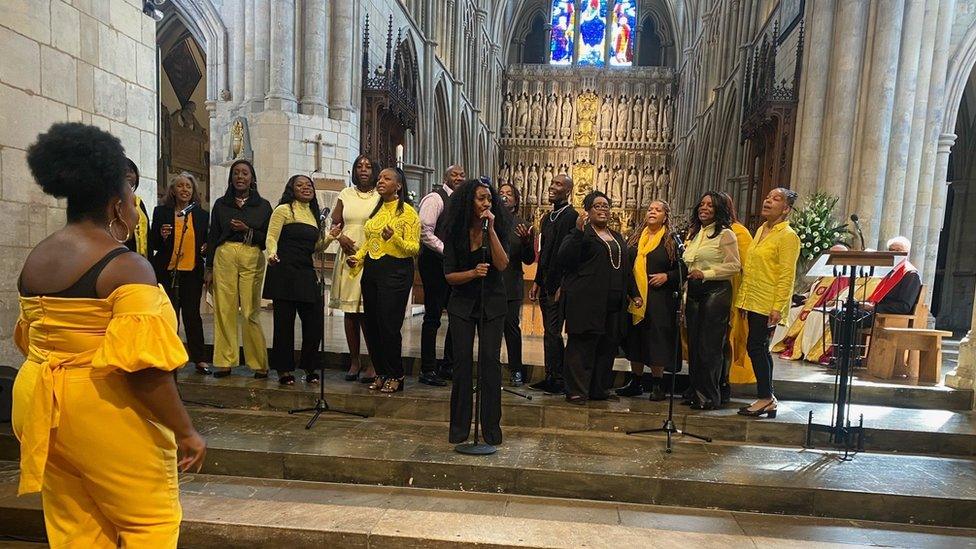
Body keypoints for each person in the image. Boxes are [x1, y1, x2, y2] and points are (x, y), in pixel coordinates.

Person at [12, 122, 206, 547]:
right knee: (148, 523)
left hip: (38, 401)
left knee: (76, 525)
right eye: (133, 199)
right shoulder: (125, 265)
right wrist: (186, 430)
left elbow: (30, 338)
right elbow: (144, 369)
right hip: (97, 404)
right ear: (118, 205)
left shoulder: (40, 254)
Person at [443, 180, 510, 445]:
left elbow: (502, 264)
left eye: (489, 200)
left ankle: (491, 429)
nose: (486, 204)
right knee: (461, 364)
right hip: (462, 303)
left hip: (491, 302)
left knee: (490, 363)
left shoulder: (497, 227)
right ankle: (459, 429)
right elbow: (449, 275)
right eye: (481, 199)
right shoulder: (455, 232)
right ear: (468, 202)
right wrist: (472, 273)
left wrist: (490, 230)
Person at [347, 167, 420, 394]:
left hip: (396, 271)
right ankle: (381, 371)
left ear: (398, 185)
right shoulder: (377, 211)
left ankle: (396, 374)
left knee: (389, 325)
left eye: (387, 179)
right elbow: (371, 242)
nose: (381, 181)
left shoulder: (408, 213)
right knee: (373, 324)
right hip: (373, 270)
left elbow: (414, 249)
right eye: (380, 178)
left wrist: (395, 237)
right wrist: (357, 257)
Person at [559, 191, 635, 405]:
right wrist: (578, 232)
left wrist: (633, 293)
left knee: (607, 346)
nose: (603, 210)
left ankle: (598, 388)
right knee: (581, 346)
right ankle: (576, 390)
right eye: (597, 206)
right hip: (586, 301)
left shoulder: (617, 237)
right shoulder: (580, 234)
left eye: (606, 206)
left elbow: (625, 269)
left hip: (612, 304)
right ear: (587, 211)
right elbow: (564, 258)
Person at [735, 188, 801, 418]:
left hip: (767, 301)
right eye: (768, 196)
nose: (767, 200)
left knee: (757, 347)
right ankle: (767, 397)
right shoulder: (761, 230)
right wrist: (743, 298)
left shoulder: (788, 236)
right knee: (758, 347)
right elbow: (753, 267)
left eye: (776, 199)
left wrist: (778, 306)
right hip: (752, 298)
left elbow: (786, 274)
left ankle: (766, 398)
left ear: (786, 209)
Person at [206, 159, 273, 378]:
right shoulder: (221, 204)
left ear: (252, 178)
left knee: (250, 310)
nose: (240, 177)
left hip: (251, 254)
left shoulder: (262, 205)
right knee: (224, 309)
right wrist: (208, 267)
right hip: (224, 254)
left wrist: (247, 229)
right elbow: (213, 235)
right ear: (231, 178)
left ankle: (258, 363)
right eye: (236, 173)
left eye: (245, 173)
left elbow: (268, 238)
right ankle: (225, 361)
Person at [264, 175, 327, 386]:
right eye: (300, 185)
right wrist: (271, 254)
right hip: (283, 270)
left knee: (314, 322)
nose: (305, 188)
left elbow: (316, 246)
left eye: (309, 185)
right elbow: (271, 237)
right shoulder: (283, 210)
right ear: (291, 189)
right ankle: (284, 370)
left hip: (305, 271)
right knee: (284, 324)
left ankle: (310, 366)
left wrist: (331, 237)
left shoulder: (312, 214)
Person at [616, 200, 681, 401]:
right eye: (650, 209)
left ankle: (657, 384)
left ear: (665, 216)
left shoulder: (670, 241)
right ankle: (635, 381)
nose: (652, 212)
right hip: (635, 297)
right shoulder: (636, 238)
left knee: (656, 341)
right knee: (635, 339)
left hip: (659, 299)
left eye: (657, 210)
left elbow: (682, 269)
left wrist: (667, 277)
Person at [682, 191, 741, 410]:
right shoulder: (697, 233)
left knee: (709, 347)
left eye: (710, 205)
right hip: (696, 292)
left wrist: (707, 273)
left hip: (715, 292)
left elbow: (734, 266)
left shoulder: (725, 234)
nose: (704, 208)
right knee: (695, 344)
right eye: (702, 204)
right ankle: (695, 390)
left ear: (719, 210)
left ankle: (709, 395)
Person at [149, 172, 210, 375]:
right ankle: (168, 355)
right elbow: (154, 244)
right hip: (168, 271)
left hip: (191, 272)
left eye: (189, 187)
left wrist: (205, 248)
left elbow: (205, 243)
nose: (185, 190)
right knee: (169, 316)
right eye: (180, 186)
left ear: (193, 192)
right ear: (173, 191)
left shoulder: (201, 215)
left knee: (193, 316)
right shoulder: (161, 212)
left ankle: (199, 358)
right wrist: (161, 235)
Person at [328, 155, 379, 384]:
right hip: (349, 253)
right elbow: (335, 223)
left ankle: (373, 362)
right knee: (351, 312)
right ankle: (354, 361)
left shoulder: (380, 195)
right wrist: (340, 239)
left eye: (368, 167)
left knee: (369, 310)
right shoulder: (345, 194)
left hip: (371, 254)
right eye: (359, 166)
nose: (363, 170)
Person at [529, 174, 579, 394]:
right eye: (552, 183)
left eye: (558, 184)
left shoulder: (571, 216)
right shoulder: (547, 217)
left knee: (554, 332)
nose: (552, 187)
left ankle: (558, 378)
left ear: (568, 191)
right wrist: (537, 281)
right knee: (548, 332)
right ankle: (550, 374)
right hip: (546, 281)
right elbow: (544, 253)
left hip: (559, 284)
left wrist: (562, 284)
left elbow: (569, 254)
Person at [417, 164, 466, 386]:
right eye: (454, 174)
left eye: (462, 175)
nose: (458, 178)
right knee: (433, 317)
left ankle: (448, 365)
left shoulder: (461, 202)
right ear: (445, 177)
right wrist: (446, 251)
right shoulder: (434, 199)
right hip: (435, 265)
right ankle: (427, 369)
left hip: (454, 266)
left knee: (456, 314)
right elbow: (425, 231)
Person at [498, 182, 535, 386]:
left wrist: (528, 242)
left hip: (511, 283)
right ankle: (490, 367)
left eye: (509, 193)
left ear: (516, 199)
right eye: (501, 193)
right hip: (491, 282)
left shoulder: (523, 225)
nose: (504, 196)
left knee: (511, 327)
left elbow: (529, 260)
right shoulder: (489, 221)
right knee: (490, 328)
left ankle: (516, 370)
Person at [719, 192, 755, 401]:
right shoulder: (705, 232)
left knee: (726, 340)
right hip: (705, 293)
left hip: (732, 293)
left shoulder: (739, 232)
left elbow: (748, 267)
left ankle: (723, 380)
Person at [123, 157, 150, 258]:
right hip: (122, 256)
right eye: (124, 171)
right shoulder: (110, 201)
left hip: (142, 257)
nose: (128, 174)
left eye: (131, 171)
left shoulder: (139, 202)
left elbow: (148, 232)